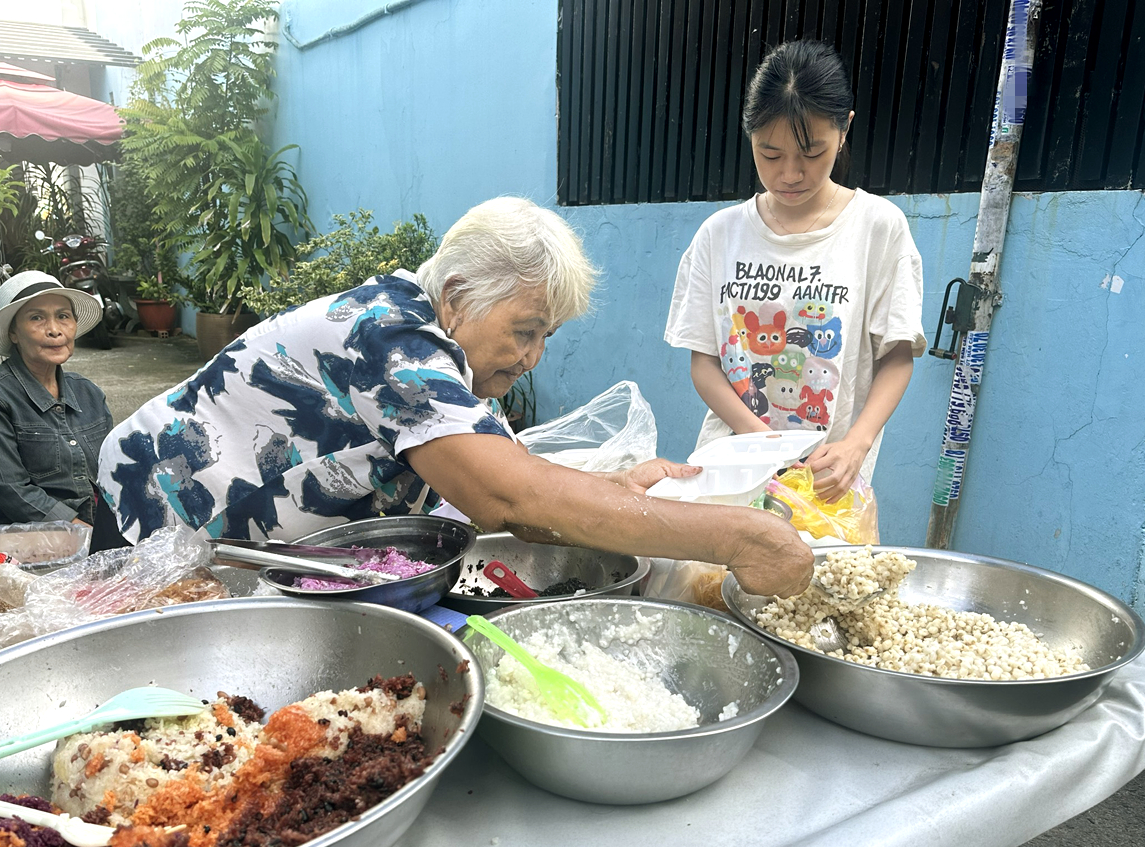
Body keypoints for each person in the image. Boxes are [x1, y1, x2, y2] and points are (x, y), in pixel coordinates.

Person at [99, 196, 812, 598]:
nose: (532, 356)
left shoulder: (442, 354)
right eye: (525, 329)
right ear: (459, 296)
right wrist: (733, 535)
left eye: (546, 337)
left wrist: (611, 486)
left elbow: (504, 473)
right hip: (157, 514)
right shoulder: (391, 341)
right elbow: (512, 500)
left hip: (235, 542)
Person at [665, 40, 926, 502]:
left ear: (844, 129)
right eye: (770, 154)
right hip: (734, 471)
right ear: (749, 136)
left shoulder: (877, 227)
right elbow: (705, 361)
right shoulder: (719, 234)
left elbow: (896, 355)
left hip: (830, 479)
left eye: (811, 153)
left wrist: (856, 446)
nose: (789, 173)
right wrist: (762, 441)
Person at [0, 270, 115, 530]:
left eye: (63, 316)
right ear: (13, 333)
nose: (54, 330)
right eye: (36, 318)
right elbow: (13, 492)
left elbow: (113, 469)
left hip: (100, 527)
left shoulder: (88, 392)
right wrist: (82, 531)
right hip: (39, 541)